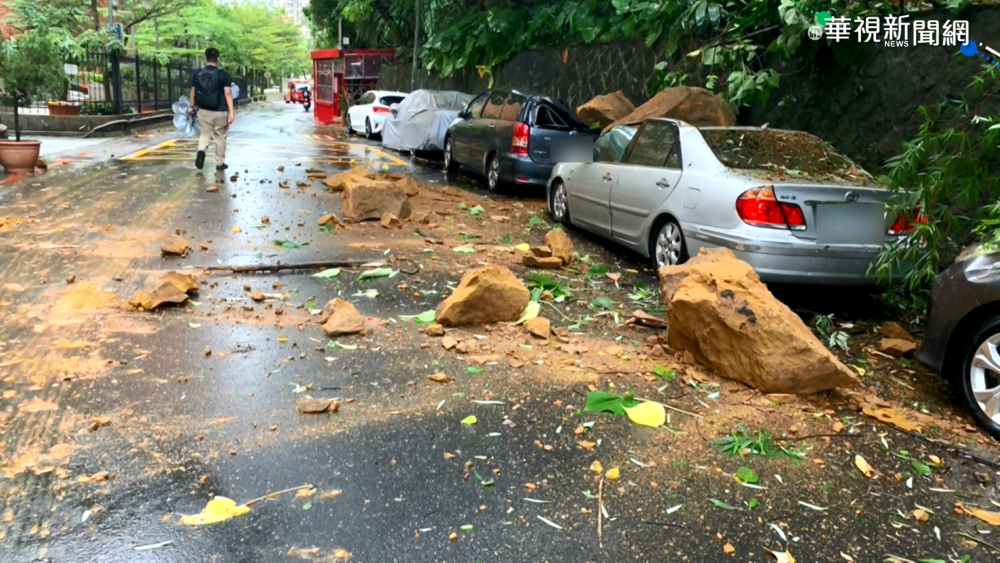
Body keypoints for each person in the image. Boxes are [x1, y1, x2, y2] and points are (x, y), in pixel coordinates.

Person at [188, 48, 234, 171]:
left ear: (205, 58)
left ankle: (201, 151)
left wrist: (191, 107)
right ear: (218, 59)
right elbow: (228, 93)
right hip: (220, 111)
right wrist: (231, 112)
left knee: (205, 133)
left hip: (203, 110)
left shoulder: (197, 73)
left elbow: (192, 92)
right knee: (220, 137)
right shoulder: (223, 74)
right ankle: (220, 163)